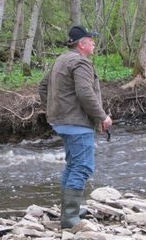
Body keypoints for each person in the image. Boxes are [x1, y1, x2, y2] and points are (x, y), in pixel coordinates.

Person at [38, 25, 113, 228]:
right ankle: (70, 218)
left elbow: (43, 87)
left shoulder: (60, 60)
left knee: (72, 166)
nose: (94, 43)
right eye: (91, 40)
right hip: (76, 124)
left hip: (61, 122)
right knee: (82, 166)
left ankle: (69, 211)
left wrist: (57, 109)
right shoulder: (81, 62)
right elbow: (85, 93)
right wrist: (102, 117)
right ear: (82, 44)